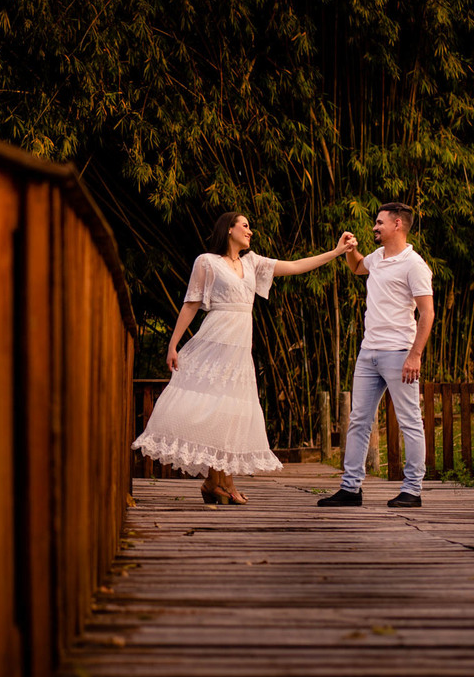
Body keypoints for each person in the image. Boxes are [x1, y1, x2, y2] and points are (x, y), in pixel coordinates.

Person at [132, 211, 356, 505]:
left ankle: (217, 482)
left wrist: (337, 252)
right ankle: (220, 482)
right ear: (229, 230)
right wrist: (173, 344)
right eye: (245, 226)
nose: (250, 231)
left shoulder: (253, 263)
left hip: (239, 346)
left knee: (229, 409)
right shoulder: (207, 262)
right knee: (211, 404)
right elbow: (191, 303)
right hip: (214, 340)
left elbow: (297, 266)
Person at [318, 202, 435, 508]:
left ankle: (413, 490)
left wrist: (415, 355)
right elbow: (358, 267)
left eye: (379, 222)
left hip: (399, 353)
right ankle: (351, 488)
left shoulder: (414, 264)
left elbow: (427, 313)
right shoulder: (378, 257)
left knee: (410, 421)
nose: (374, 227)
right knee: (359, 420)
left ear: (398, 224)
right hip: (368, 351)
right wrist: (349, 249)